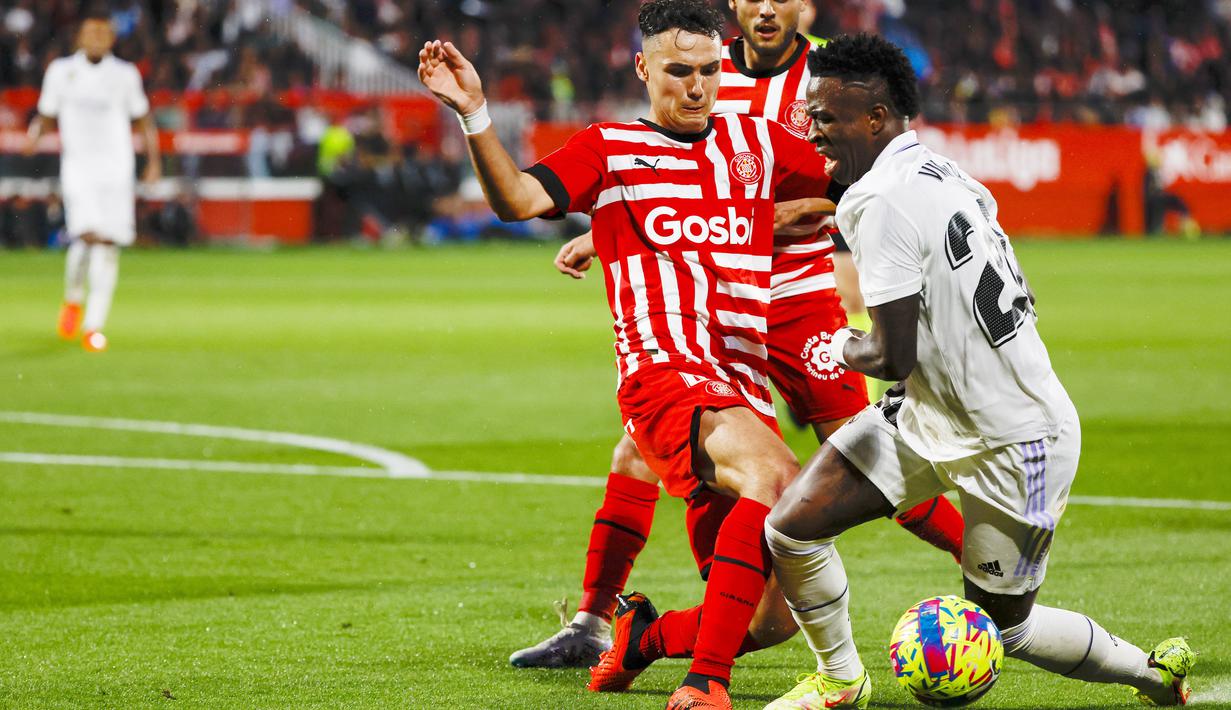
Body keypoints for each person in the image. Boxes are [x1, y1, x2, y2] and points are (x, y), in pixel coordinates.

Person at [513, 0, 964, 672]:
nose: (765, 6)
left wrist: (792, 210)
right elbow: (671, 187)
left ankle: (978, 554)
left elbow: (861, 177)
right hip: (709, 302)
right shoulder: (702, 71)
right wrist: (604, 233)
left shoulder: (827, 76)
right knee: (639, 448)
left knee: (861, 448)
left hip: (798, 300)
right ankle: (594, 619)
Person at [761, 33, 1196, 709]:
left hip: (1013, 439)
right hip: (931, 414)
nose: (810, 129)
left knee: (1007, 627)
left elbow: (888, 355)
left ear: (874, 117)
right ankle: (840, 682)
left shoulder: (874, 200)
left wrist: (836, 347)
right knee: (791, 525)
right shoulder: (942, 171)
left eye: (824, 116)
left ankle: (1151, 675)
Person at [419, 1, 834, 706]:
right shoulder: (609, 149)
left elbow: (841, 184)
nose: (696, 87)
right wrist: (474, 113)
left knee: (775, 620)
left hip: (739, 389)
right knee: (776, 472)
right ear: (643, 68)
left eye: (708, 71)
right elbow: (517, 199)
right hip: (662, 378)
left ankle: (641, 636)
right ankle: (705, 687)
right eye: (678, 71)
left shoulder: (756, 145)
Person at [27, 8, 160, 352]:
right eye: (92, 33)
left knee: (107, 244)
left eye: (104, 33)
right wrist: (34, 136)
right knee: (87, 236)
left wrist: (153, 162)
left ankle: (93, 325)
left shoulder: (125, 74)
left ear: (112, 38)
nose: (97, 38)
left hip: (116, 169)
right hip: (79, 169)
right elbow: (46, 114)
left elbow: (143, 119)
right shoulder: (61, 71)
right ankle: (73, 297)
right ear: (80, 37)